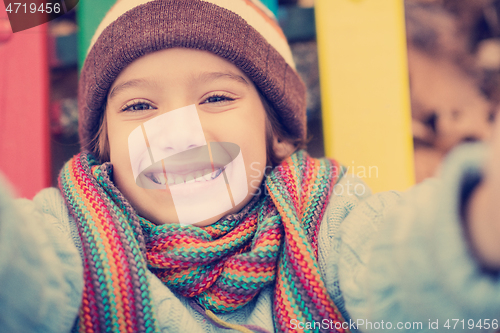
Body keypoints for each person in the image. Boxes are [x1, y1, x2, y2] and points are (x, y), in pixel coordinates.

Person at [0, 0, 499, 332]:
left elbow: (404, 263)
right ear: (103, 148)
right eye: (138, 107)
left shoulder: (329, 220)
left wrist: (477, 223)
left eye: (216, 97)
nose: (179, 134)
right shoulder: (64, 239)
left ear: (275, 132)